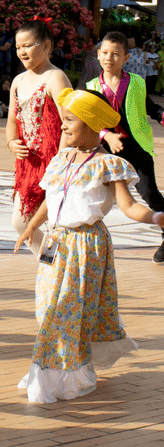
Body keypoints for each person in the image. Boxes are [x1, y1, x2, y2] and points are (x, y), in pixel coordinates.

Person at [14, 88, 146, 403]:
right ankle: (66, 368)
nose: (63, 126)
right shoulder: (61, 159)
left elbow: (128, 206)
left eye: (70, 121)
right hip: (56, 243)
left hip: (86, 246)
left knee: (67, 311)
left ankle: (49, 374)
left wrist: (156, 217)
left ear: (89, 123)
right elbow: (50, 198)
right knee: (49, 308)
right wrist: (31, 227)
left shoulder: (108, 164)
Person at [86, 31, 164, 264]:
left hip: (135, 146)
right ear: (98, 55)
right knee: (92, 197)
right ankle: (84, 243)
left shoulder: (136, 82)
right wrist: (106, 136)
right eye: (105, 53)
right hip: (104, 150)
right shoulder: (91, 86)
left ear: (126, 58)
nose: (109, 58)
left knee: (149, 192)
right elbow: (87, 120)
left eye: (116, 54)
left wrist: (162, 116)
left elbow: (151, 107)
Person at [6, 17, 72, 251]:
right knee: (21, 221)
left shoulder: (55, 77)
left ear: (46, 46)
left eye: (27, 46)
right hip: (28, 164)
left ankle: (56, 268)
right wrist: (12, 142)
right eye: (18, 47)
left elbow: (70, 122)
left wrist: (61, 161)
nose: (21, 52)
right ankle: (51, 263)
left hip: (54, 162)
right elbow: (12, 120)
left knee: (55, 221)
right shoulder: (18, 81)